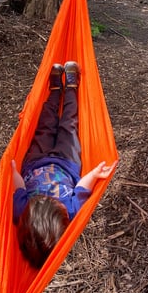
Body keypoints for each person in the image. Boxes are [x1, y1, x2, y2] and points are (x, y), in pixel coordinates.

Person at [11, 61, 117, 269]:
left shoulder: (22, 211)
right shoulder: (70, 211)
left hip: (35, 161)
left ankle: (54, 90)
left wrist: (12, 170)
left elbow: (19, 187)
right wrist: (95, 174)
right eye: (56, 203)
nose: (52, 199)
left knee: (46, 123)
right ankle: (70, 87)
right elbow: (81, 188)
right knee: (69, 123)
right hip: (67, 162)